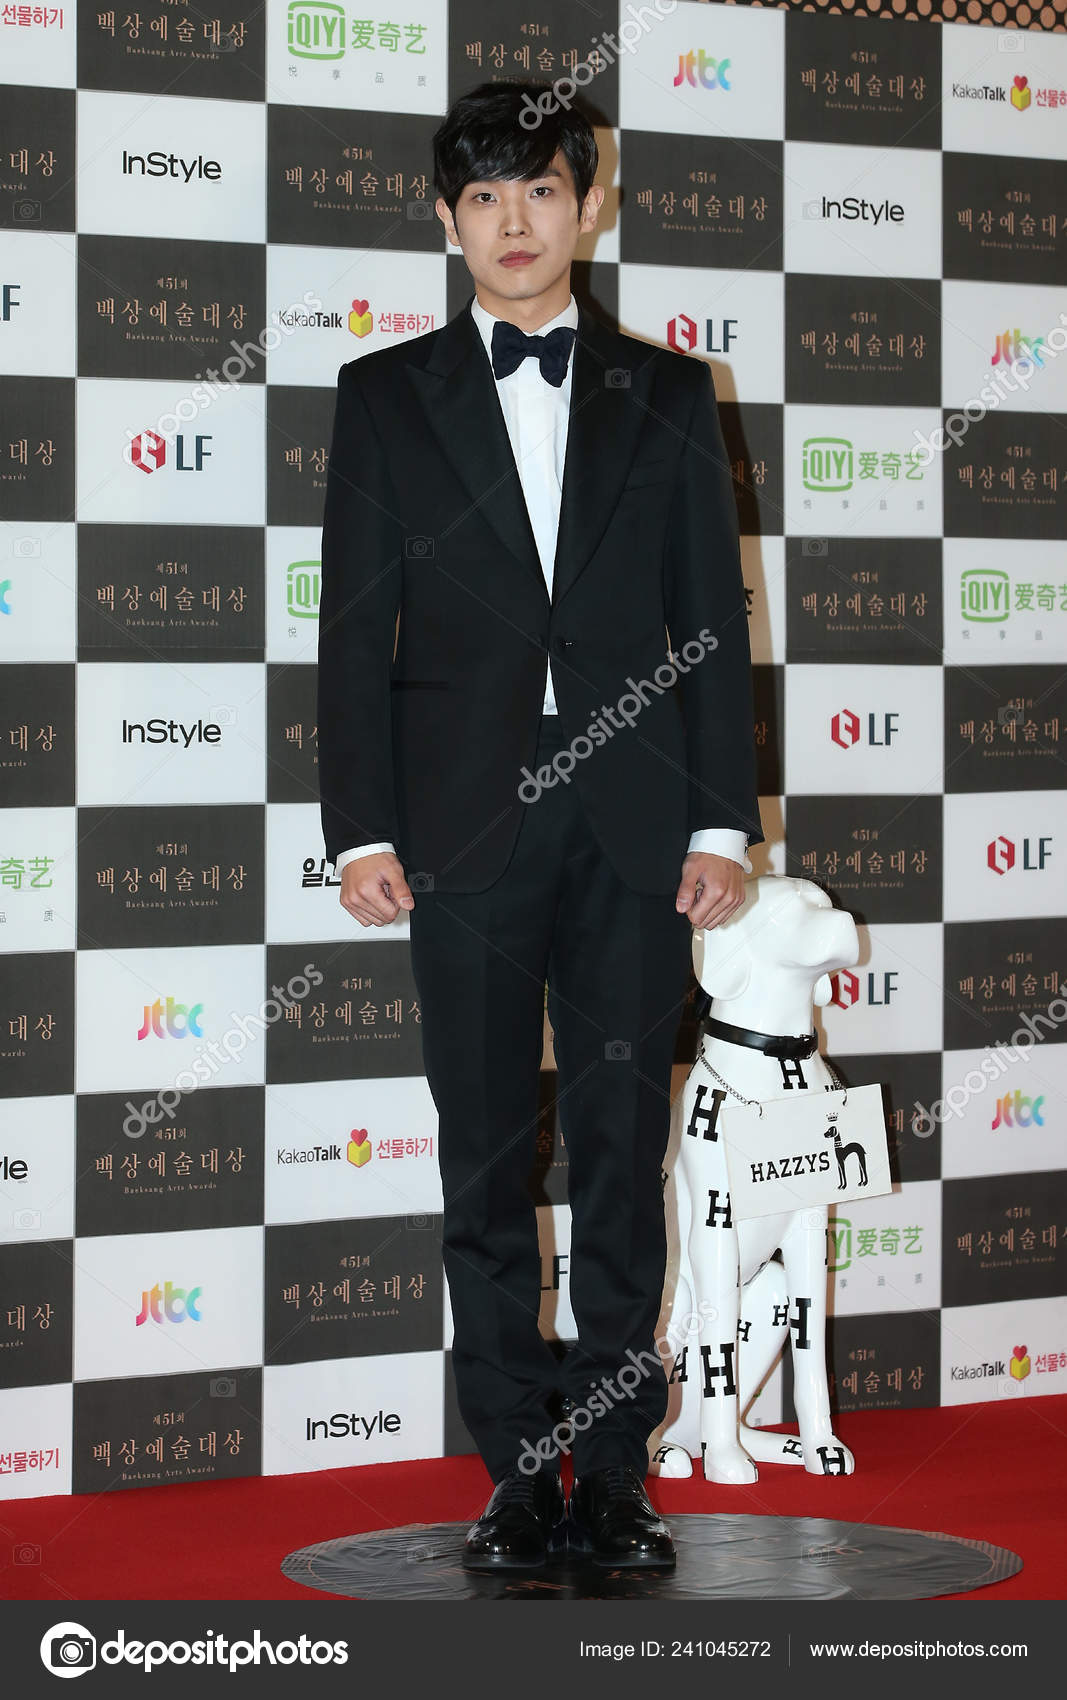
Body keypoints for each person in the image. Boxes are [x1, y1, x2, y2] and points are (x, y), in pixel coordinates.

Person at [316, 79, 763, 1572]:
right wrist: (361, 826)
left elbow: (714, 617)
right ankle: (517, 1469)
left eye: (543, 192)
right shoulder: (383, 398)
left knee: (625, 1151)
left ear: (590, 201)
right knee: (484, 1160)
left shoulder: (670, 396)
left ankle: (619, 1470)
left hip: (642, 836)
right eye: (486, 199)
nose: (518, 223)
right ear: (449, 225)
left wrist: (723, 821)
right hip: (463, 831)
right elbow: (352, 631)